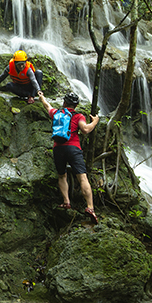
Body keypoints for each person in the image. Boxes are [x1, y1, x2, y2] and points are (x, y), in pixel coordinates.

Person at [38, 91, 100, 223]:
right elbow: (86, 130)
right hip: (73, 148)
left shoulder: (57, 113)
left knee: (62, 175)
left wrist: (42, 97)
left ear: (64, 103)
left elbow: (47, 106)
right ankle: (90, 207)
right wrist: (95, 122)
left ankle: (66, 202)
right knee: (82, 177)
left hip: (58, 148)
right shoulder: (78, 116)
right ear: (76, 106)